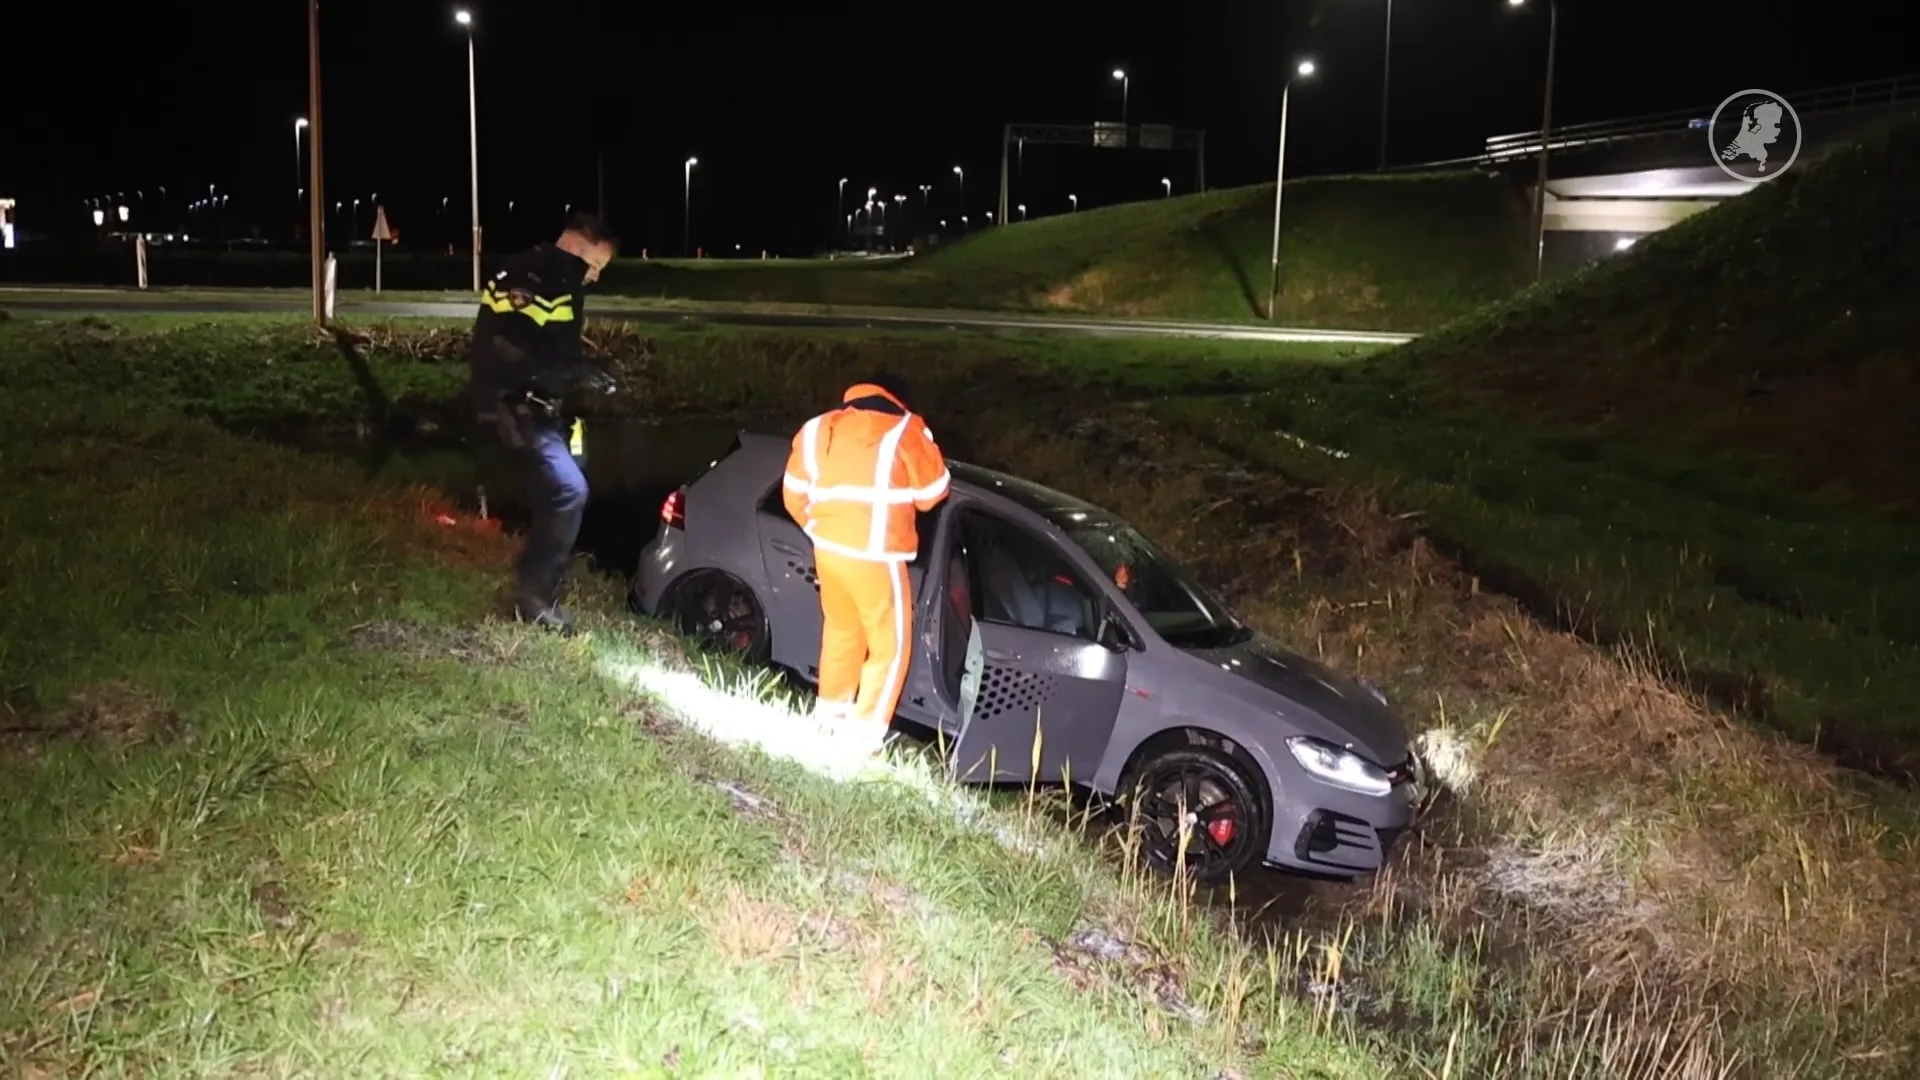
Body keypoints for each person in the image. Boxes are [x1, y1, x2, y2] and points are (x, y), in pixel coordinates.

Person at [466, 213, 621, 634]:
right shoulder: (535, 276)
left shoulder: (557, 277)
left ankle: (540, 575)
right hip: (513, 405)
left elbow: (550, 347)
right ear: (576, 248)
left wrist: (585, 371)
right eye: (595, 265)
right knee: (568, 491)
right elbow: (508, 346)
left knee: (566, 480)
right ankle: (533, 596)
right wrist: (572, 373)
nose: (595, 276)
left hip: (539, 405)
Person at [782, 375, 951, 752]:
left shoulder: (817, 428)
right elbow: (932, 493)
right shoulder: (905, 430)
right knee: (891, 646)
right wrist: (926, 441)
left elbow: (792, 495)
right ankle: (864, 735)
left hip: (829, 551)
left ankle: (829, 719)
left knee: (842, 631)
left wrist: (819, 530)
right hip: (877, 553)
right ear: (899, 398)